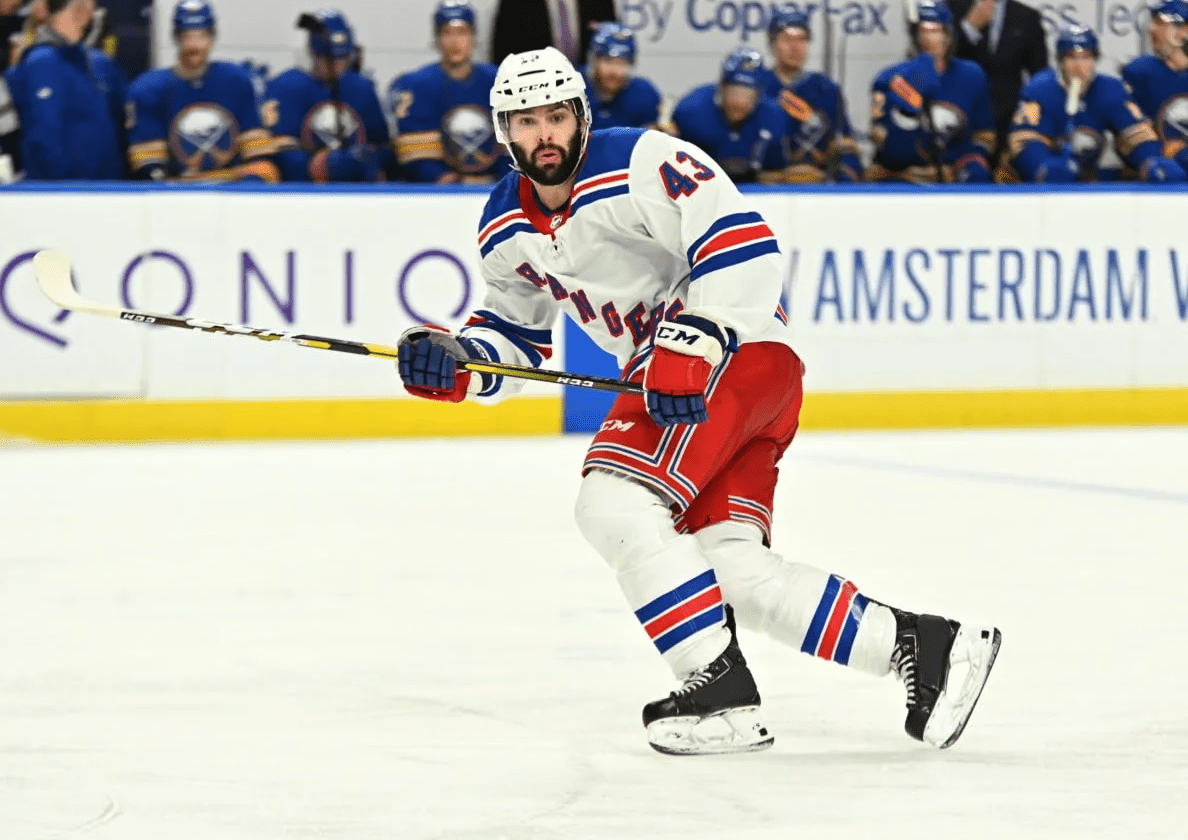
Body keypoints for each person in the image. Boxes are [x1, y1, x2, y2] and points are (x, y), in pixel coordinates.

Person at [393, 46, 1002, 756]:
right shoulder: (503, 221)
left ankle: (717, 691)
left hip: (735, 357)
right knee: (733, 570)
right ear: (505, 132)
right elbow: (517, 336)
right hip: (707, 381)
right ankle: (928, 647)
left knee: (613, 502)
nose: (545, 135)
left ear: (581, 115)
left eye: (556, 116)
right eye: (527, 122)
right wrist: (462, 363)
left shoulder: (640, 161)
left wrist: (697, 338)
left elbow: (744, 241)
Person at [1001, 23, 1184, 183]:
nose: (1079, 67)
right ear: (1060, 62)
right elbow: (1023, 141)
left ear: (1095, 60)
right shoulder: (1040, 89)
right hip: (1035, 188)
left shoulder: (1110, 89)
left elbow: (1137, 135)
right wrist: (1041, 167)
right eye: (1072, 57)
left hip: (1088, 180)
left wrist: (1150, 160)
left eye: (1086, 57)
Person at [125, 1, 277, 183]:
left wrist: (241, 187)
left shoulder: (237, 82)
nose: (194, 45)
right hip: (179, 195)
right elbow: (153, 171)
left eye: (201, 36)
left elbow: (261, 163)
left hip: (232, 192)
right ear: (176, 38)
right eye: (186, 36)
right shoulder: (149, 90)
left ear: (212, 38)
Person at [868, 0, 995, 183]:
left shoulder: (972, 76)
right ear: (915, 35)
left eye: (936, 31)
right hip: (903, 164)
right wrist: (903, 170)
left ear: (949, 35)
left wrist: (955, 167)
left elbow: (986, 135)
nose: (929, 38)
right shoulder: (891, 78)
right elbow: (878, 135)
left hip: (955, 161)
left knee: (976, 173)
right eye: (923, 31)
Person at [2, 0, 126, 180]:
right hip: (54, 191)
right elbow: (41, 137)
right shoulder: (39, 63)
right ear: (84, 7)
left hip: (108, 189)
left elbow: (122, 127)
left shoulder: (100, 64)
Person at [265, 8, 390, 183]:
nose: (337, 66)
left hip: (356, 192)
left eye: (343, 58)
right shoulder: (287, 87)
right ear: (313, 53)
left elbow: (385, 148)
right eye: (330, 60)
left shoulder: (361, 89)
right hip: (302, 193)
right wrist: (323, 165)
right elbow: (279, 157)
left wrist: (371, 161)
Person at [390, 0, 507, 184]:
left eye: (462, 32)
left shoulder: (501, 80)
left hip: (498, 186)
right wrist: (448, 182)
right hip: (442, 193)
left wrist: (506, 180)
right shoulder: (417, 85)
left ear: (473, 37)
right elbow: (417, 158)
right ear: (437, 39)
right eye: (446, 33)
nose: (454, 41)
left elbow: (516, 147)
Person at [759, 9, 863, 183]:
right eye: (787, 40)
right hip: (768, 180)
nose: (795, 47)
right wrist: (784, 176)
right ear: (773, 44)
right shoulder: (758, 87)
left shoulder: (826, 89)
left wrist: (838, 171)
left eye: (802, 39)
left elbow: (845, 142)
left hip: (818, 180)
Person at [671, 46, 789, 183]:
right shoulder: (691, 111)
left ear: (759, 95)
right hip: (699, 185)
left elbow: (777, 170)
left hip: (754, 188)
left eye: (748, 95)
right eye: (734, 92)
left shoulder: (774, 117)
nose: (739, 102)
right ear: (722, 88)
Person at [949, 0, 1048, 162]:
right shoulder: (952, 8)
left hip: (1008, 123)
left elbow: (1040, 77)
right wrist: (969, 28)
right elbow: (941, 63)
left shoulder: (1027, 16)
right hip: (962, 121)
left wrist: (1026, 125)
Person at [1122, 0, 1188, 176]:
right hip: (1162, 173)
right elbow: (1130, 136)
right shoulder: (1140, 72)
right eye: (1152, 22)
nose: (1151, 29)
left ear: (1183, 31)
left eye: (1160, 23)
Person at [581, 22, 662, 131]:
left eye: (622, 63)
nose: (615, 71)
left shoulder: (644, 94)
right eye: (608, 61)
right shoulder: (572, 88)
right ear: (593, 61)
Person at [491, 0, 617, 66]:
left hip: (591, 93)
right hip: (535, 93)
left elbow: (614, 46)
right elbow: (503, 57)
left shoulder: (600, 2)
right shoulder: (514, 3)